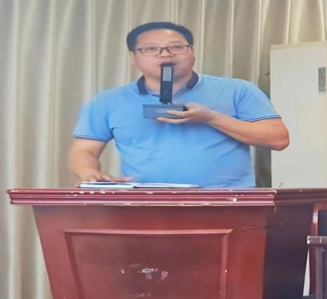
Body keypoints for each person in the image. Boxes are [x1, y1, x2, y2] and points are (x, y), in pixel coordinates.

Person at [68, 21, 289, 188]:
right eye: (151, 49)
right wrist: (90, 174)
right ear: (133, 58)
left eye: (176, 47)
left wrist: (211, 117)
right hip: (144, 203)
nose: (165, 54)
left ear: (192, 52)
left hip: (227, 201)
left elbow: (278, 139)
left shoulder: (238, 90)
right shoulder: (107, 101)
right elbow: (84, 151)